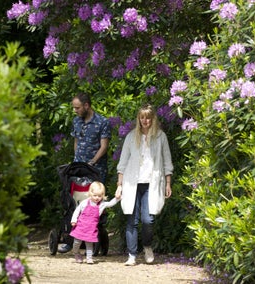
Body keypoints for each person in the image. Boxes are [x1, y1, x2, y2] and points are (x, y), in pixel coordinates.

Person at [115, 104, 174, 266]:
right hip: (131, 183)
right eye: (142, 117)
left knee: (148, 220)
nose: (145, 120)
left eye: (148, 117)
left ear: (153, 118)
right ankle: (132, 255)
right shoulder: (131, 137)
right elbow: (122, 163)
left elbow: (167, 162)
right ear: (138, 119)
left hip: (152, 184)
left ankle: (147, 246)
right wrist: (119, 185)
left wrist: (168, 183)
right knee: (132, 220)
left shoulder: (160, 137)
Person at [58, 93, 112, 253]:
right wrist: (77, 161)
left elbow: (104, 146)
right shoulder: (76, 121)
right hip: (78, 169)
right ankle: (70, 239)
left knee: (94, 205)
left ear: (86, 105)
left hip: (96, 170)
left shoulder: (102, 122)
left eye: (77, 107)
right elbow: (76, 141)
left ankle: (93, 238)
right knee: (74, 203)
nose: (75, 110)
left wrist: (92, 162)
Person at [70, 181, 120, 264]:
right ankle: (76, 253)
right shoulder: (85, 202)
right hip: (81, 226)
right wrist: (74, 220)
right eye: (95, 195)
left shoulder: (102, 204)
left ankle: (89, 258)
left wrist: (117, 198)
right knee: (77, 242)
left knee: (89, 244)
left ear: (103, 195)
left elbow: (111, 203)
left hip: (91, 228)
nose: (97, 198)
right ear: (90, 193)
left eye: (100, 196)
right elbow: (77, 210)